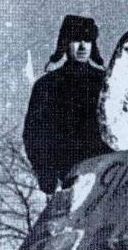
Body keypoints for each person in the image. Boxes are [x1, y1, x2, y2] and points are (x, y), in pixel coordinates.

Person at [22, 14, 112, 194]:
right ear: (65, 43)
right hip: (69, 176)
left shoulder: (107, 83)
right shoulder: (47, 85)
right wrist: (46, 173)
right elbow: (34, 133)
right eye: (76, 39)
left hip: (108, 174)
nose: (82, 46)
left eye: (88, 40)